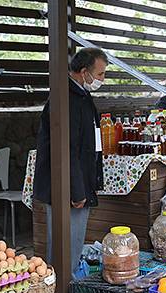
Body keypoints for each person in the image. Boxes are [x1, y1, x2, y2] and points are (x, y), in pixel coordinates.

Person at [33, 48, 108, 278]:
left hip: (78, 181)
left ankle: (67, 288)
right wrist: (77, 191)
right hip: (64, 186)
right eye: (100, 74)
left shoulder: (81, 95)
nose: (102, 79)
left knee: (73, 244)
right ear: (84, 72)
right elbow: (67, 149)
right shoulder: (65, 98)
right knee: (65, 245)